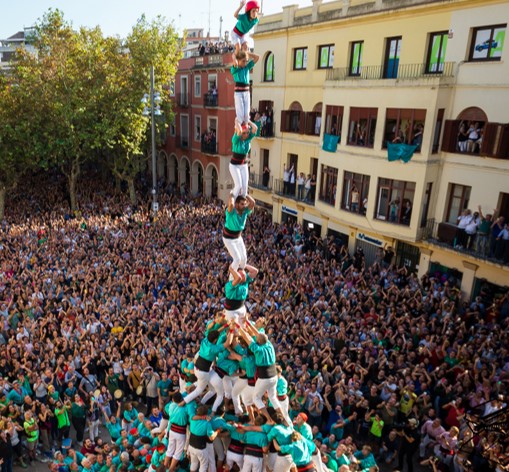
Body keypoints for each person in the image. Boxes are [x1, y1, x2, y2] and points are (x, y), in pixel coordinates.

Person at [222, 193, 256, 277]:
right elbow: (231, 204)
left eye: (244, 204)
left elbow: (252, 203)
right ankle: (232, 278)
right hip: (228, 238)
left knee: (244, 258)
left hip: (238, 237)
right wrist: (232, 195)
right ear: (236, 204)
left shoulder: (245, 212)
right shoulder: (231, 212)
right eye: (241, 204)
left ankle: (240, 273)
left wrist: (245, 194)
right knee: (237, 259)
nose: (244, 206)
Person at [231, 50, 259, 127]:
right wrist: (234, 57)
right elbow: (235, 63)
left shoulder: (247, 67)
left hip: (246, 91)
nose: (245, 63)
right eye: (243, 61)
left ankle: (246, 129)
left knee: (246, 114)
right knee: (240, 114)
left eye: (246, 61)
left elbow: (257, 57)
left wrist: (247, 53)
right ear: (238, 60)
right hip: (238, 93)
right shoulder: (235, 69)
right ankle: (238, 127)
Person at [230, 121, 258, 198]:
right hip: (234, 165)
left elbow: (255, 128)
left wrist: (248, 122)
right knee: (238, 185)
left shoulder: (248, 139)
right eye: (244, 133)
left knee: (245, 187)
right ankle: (233, 199)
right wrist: (237, 121)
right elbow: (238, 130)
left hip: (243, 164)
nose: (246, 135)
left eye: (247, 133)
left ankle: (243, 203)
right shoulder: (236, 140)